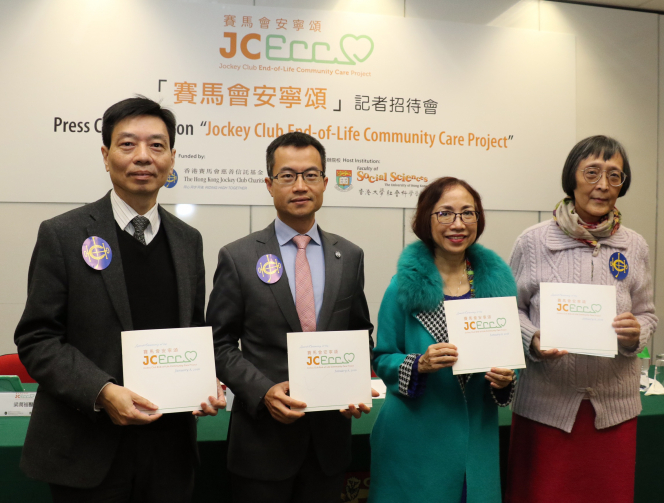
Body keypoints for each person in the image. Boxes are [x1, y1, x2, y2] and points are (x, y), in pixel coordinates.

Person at [14, 96, 225, 502]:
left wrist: (204, 378)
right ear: (105, 155)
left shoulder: (187, 241)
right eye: (128, 144)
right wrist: (102, 391)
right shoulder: (63, 234)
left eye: (157, 145)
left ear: (173, 157)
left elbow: (193, 331)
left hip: (170, 451)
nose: (143, 156)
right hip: (88, 449)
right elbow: (37, 338)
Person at [207, 131, 375, 503]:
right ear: (269, 184)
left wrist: (353, 384)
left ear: (326, 183)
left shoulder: (349, 256)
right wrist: (262, 390)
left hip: (328, 444)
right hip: (261, 445)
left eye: (311, 175)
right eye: (287, 175)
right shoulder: (238, 257)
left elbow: (359, 332)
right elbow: (217, 344)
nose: (300, 185)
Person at [505, 135, 657, 503]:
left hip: (613, 412)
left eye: (614, 176)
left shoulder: (634, 245)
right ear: (571, 177)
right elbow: (509, 311)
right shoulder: (533, 241)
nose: (603, 184)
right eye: (592, 172)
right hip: (546, 410)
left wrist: (637, 333)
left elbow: (647, 313)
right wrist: (533, 339)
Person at [369, 177, 517, 503]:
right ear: (427, 219)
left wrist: (506, 379)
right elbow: (381, 357)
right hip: (415, 440)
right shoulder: (403, 287)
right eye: (445, 214)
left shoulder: (496, 285)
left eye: (468, 213)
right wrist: (418, 364)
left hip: (475, 438)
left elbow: (509, 359)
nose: (458, 224)